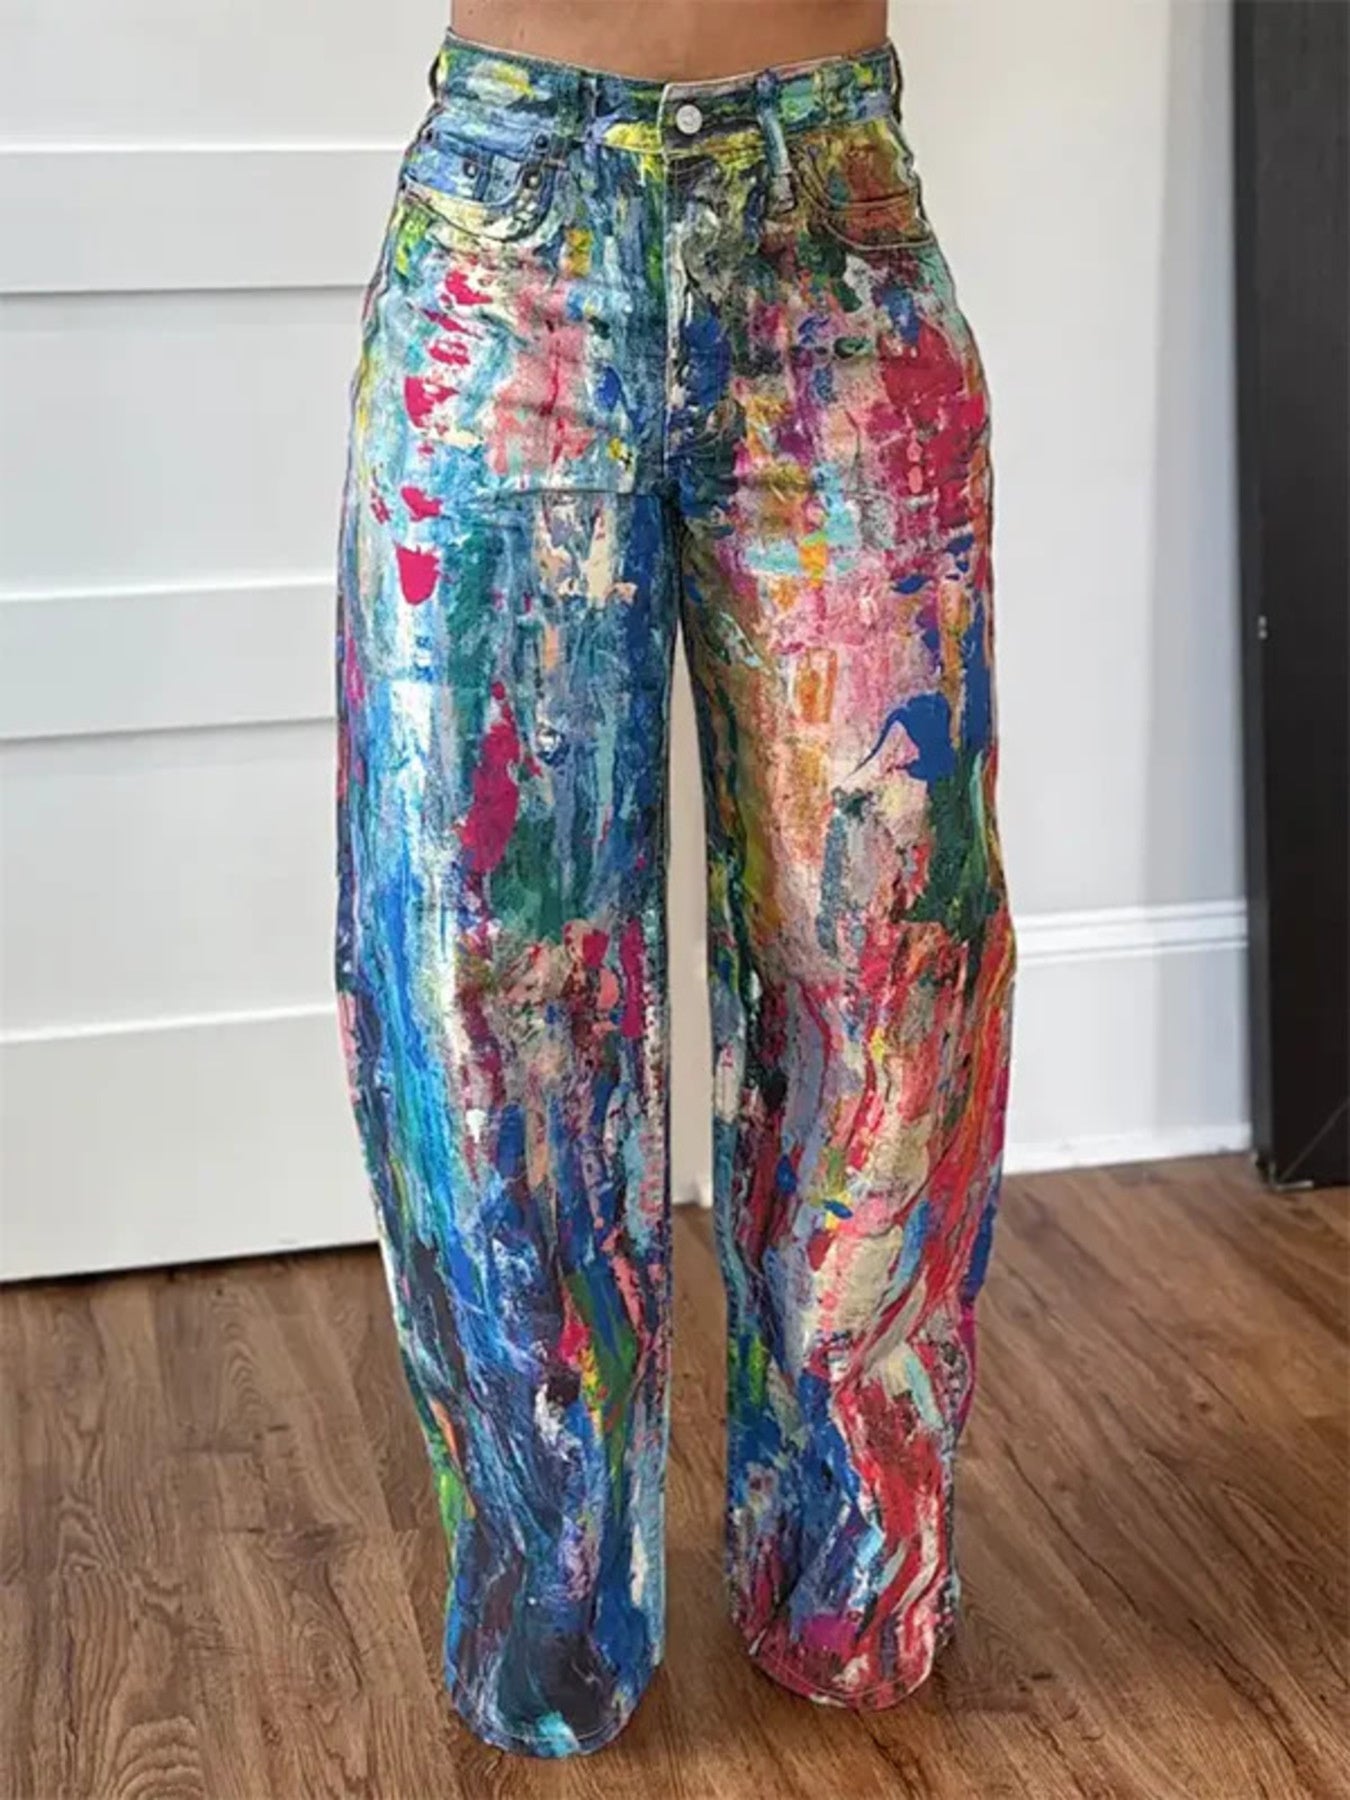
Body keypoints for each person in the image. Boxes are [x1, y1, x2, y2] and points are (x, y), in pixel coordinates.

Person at [333, 0, 1018, 1760]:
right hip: (508, 259)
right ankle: (548, 1610)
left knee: (891, 968)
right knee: (486, 986)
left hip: (837, 244)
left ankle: (850, 1571)